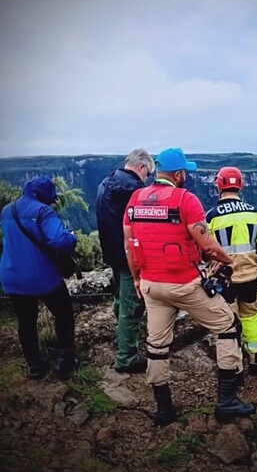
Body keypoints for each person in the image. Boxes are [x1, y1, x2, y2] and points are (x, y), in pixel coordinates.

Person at [123, 147, 256, 426]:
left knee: (157, 344)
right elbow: (208, 245)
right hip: (184, 283)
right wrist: (228, 261)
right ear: (179, 173)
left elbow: (129, 244)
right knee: (227, 325)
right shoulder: (186, 200)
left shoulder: (135, 199)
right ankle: (227, 401)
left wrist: (137, 278)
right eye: (186, 172)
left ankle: (164, 409)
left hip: (151, 285)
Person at [0, 176, 78, 380]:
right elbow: (60, 240)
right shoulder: (43, 211)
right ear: (43, 196)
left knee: (26, 321)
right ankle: (64, 359)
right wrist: (72, 237)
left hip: (12, 276)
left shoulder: (7, 210)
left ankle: (35, 365)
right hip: (41, 276)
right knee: (63, 312)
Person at [96, 148, 155, 373]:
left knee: (120, 301)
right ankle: (126, 358)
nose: (147, 177)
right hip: (130, 257)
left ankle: (121, 339)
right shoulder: (136, 191)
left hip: (112, 254)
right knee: (132, 308)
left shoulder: (105, 183)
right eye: (147, 173)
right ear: (141, 167)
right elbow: (143, 227)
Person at [206, 167, 257, 376]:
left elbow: (206, 249)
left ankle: (235, 368)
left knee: (229, 323)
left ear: (219, 185)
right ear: (240, 185)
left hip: (226, 279)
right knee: (251, 316)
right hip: (250, 276)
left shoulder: (212, 217)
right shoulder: (256, 213)